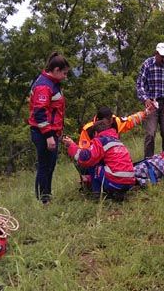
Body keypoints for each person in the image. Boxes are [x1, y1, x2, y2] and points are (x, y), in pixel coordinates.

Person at [28, 52, 69, 205]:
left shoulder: (52, 83)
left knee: (50, 165)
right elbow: (40, 113)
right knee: (45, 166)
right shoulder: (44, 86)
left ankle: (47, 196)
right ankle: (43, 200)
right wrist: (49, 136)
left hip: (51, 132)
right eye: (64, 73)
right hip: (43, 133)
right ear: (56, 70)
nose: (65, 76)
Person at [75, 105, 151, 188]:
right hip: (95, 157)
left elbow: (130, 121)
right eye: (108, 121)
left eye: (111, 120)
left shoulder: (115, 122)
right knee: (87, 163)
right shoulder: (88, 130)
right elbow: (84, 153)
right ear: (100, 121)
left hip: (112, 158)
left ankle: (105, 184)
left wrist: (145, 113)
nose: (110, 123)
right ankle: (91, 184)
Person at [62, 119, 136, 200]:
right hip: (130, 181)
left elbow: (85, 157)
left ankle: (97, 194)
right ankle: (116, 192)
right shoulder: (117, 141)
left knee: (93, 164)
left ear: (96, 133)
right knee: (101, 163)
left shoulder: (100, 141)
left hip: (115, 180)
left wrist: (71, 145)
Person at [136, 42, 164, 158]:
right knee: (150, 134)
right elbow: (140, 84)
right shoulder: (147, 64)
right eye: (162, 56)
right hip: (152, 103)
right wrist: (145, 99)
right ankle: (148, 161)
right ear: (156, 54)